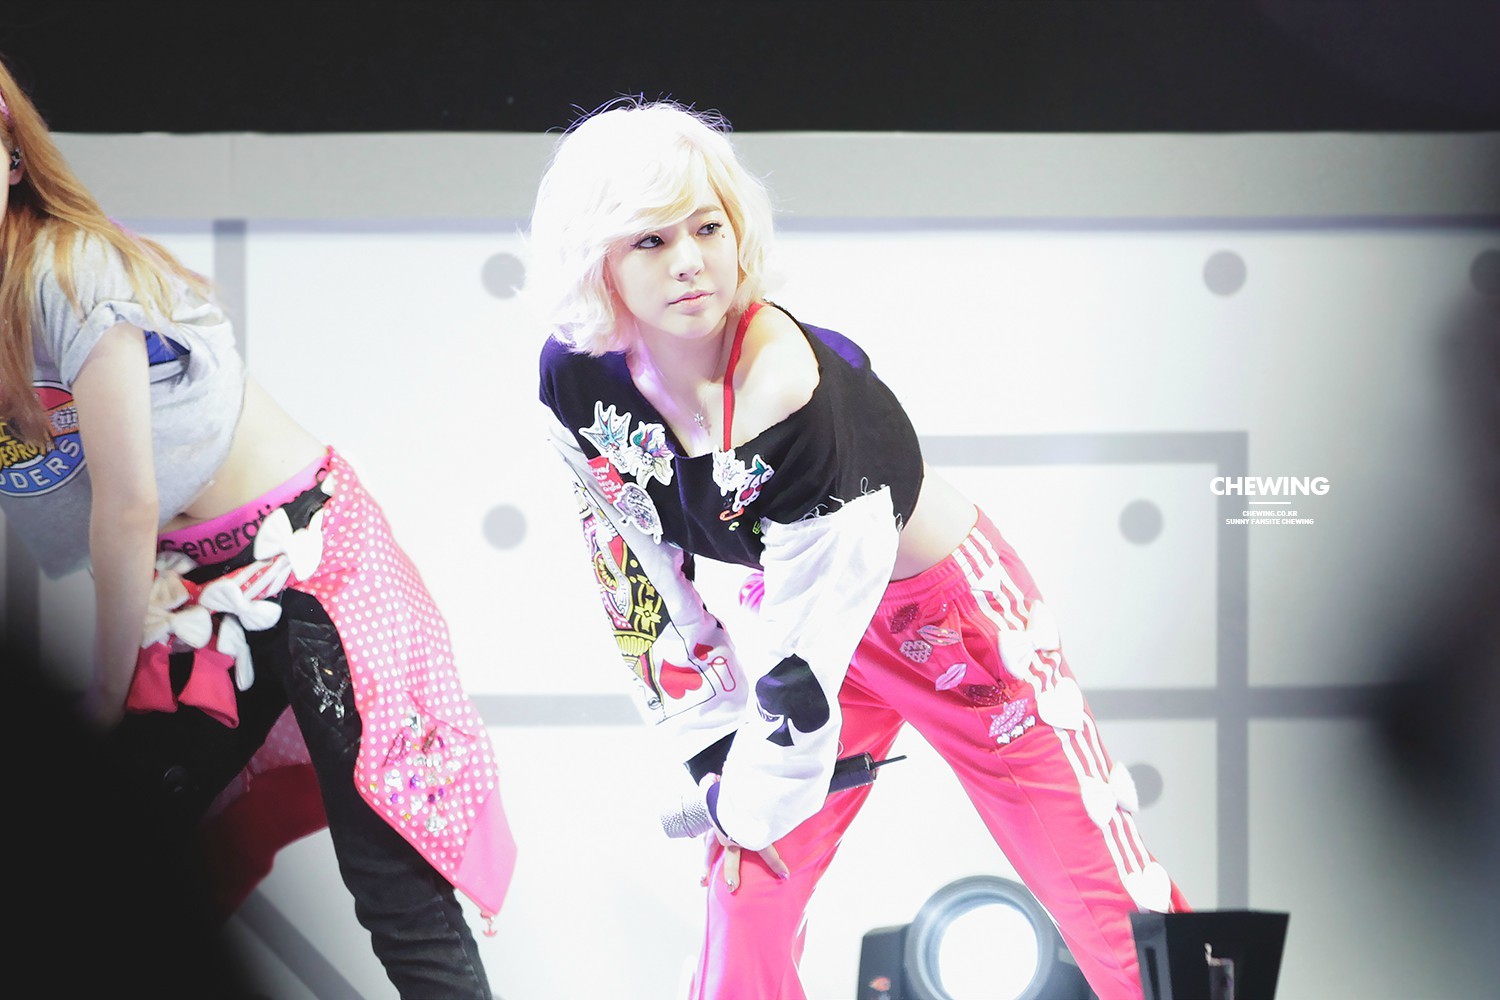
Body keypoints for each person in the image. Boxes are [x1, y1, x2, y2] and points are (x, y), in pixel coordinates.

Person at [528, 100, 1189, 1000]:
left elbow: (804, 663)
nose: (689, 261)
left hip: (946, 624)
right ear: (595, 257)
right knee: (744, 897)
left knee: (1108, 906)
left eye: (708, 227)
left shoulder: (784, 384)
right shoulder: (577, 379)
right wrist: (711, 750)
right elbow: (634, 572)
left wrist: (750, 789)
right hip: (798, 616)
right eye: (650, 240)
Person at [0, 58, 513, 999]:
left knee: (395, 889)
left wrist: (106, 691)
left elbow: (127, 502)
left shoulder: (67, 270)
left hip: (313, 564)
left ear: (11, 151)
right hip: (192, 593)